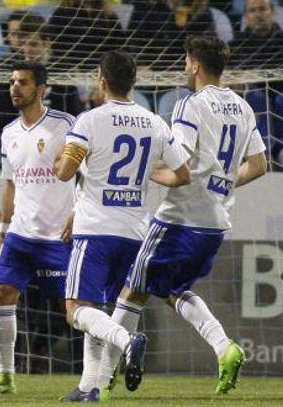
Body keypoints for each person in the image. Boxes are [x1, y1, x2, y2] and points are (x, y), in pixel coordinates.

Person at [101, 36, 268, 399]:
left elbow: (183, 161)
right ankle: (224, 347)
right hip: (216, 220)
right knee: (171, 290)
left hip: (180, 217)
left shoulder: (189, 105)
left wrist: (146, 173)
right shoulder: (243, 107)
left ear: (193, 64)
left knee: (135, 286)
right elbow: (259, 164)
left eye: (185, 60)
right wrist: (222, 184)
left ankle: (105, 373)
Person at [54, 50, 191, 400]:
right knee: (98, 310)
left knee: (77, 310)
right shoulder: (155, 122)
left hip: (96, 230)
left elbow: (65, 172)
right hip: (134, 233)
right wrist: (147, 175)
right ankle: (91, 386)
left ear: (101, 79)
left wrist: (60, 159)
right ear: (135, 81)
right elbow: (182, 175)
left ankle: (127, 339)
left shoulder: (89, 120)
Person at [0, 61, 76, 397]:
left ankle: (103, 371)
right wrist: (4, 227)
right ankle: (6, 378)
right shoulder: (9, 132)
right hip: (21, 234)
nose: (14, 88)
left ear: (41, 89)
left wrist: (78, 214)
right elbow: (10, 185)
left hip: (58, 236)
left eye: (22, 82)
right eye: (11, 82)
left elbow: (90, 175)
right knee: (3, 295)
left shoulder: (66, 125)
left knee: (77, 309)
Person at [128, 0, 216, 70]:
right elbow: (134, 39)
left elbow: (208, 44)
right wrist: (141, 65)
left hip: (189, 68)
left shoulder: (201, 10)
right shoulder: (147, 4)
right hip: (151, 68)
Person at [47, 0, 126, 70]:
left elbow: (120, 47)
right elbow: (53, 45)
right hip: (68, 71)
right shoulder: (62, 13)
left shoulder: (109, 16)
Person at [230, 0, 283, 69]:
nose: (258, 14)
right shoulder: (234, 47)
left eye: (262, 9)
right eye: (252, 10)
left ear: (273, 12)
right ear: (246, 16)